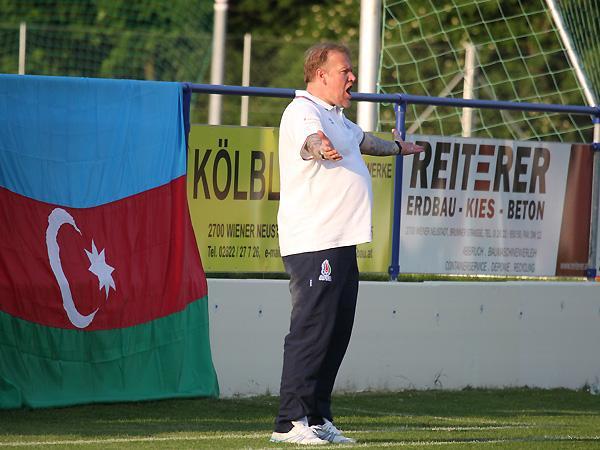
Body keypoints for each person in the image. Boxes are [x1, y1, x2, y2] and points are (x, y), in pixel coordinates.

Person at [271, 42, 424, 445]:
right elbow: (309, 141)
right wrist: (318, 146)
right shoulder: (303, 112)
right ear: (320, 75)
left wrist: (399, 148)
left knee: (335, 332)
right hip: (314, 242)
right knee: (311, 330)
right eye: (345, 71)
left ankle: (317, 417)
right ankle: (288, 423)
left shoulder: (335, 116)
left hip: (341, 241)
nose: (352, 77)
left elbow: (363, 141)